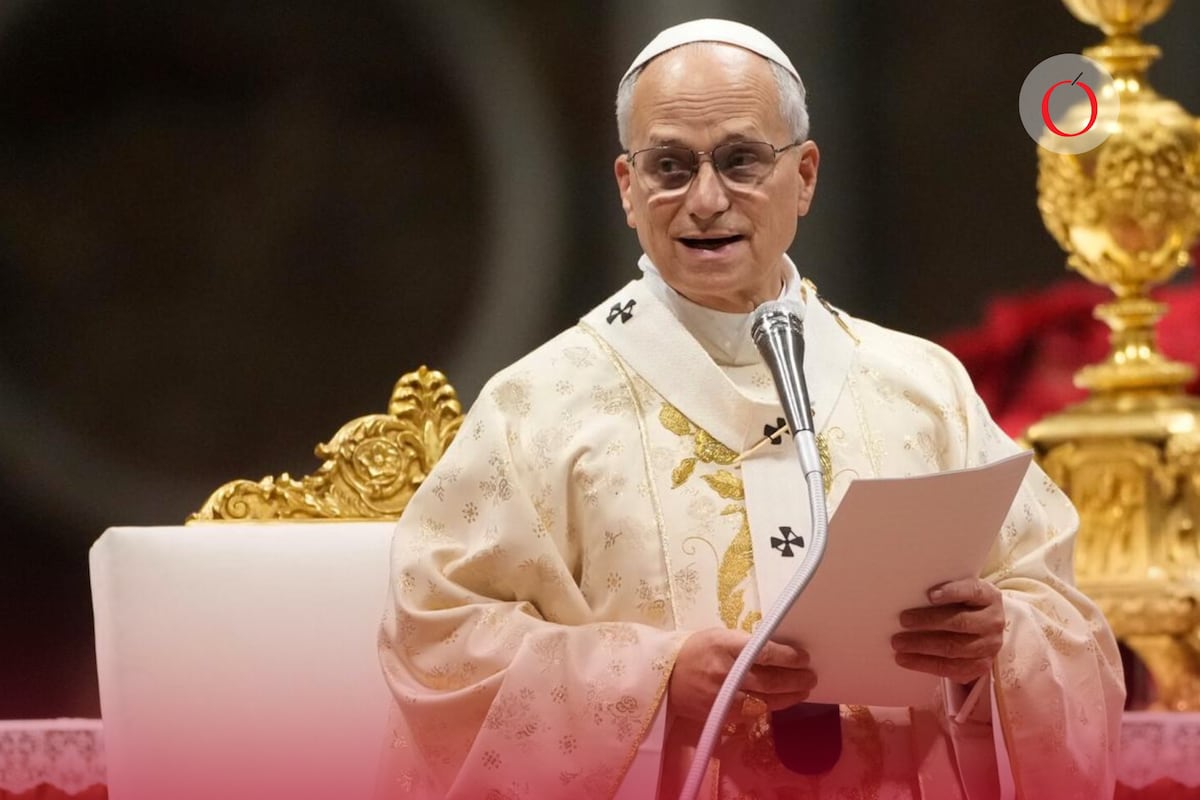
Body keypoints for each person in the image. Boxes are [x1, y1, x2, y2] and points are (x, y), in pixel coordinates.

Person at [377, 18, 1125, 800]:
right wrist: (654, 682)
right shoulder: (536, 409)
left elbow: (1069, 627)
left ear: (804, 175)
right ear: (627, 188)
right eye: (669, 166)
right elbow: (436, 644)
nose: (705, 200)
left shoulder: (920, 389)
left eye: (741, 161)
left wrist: (993, 644)